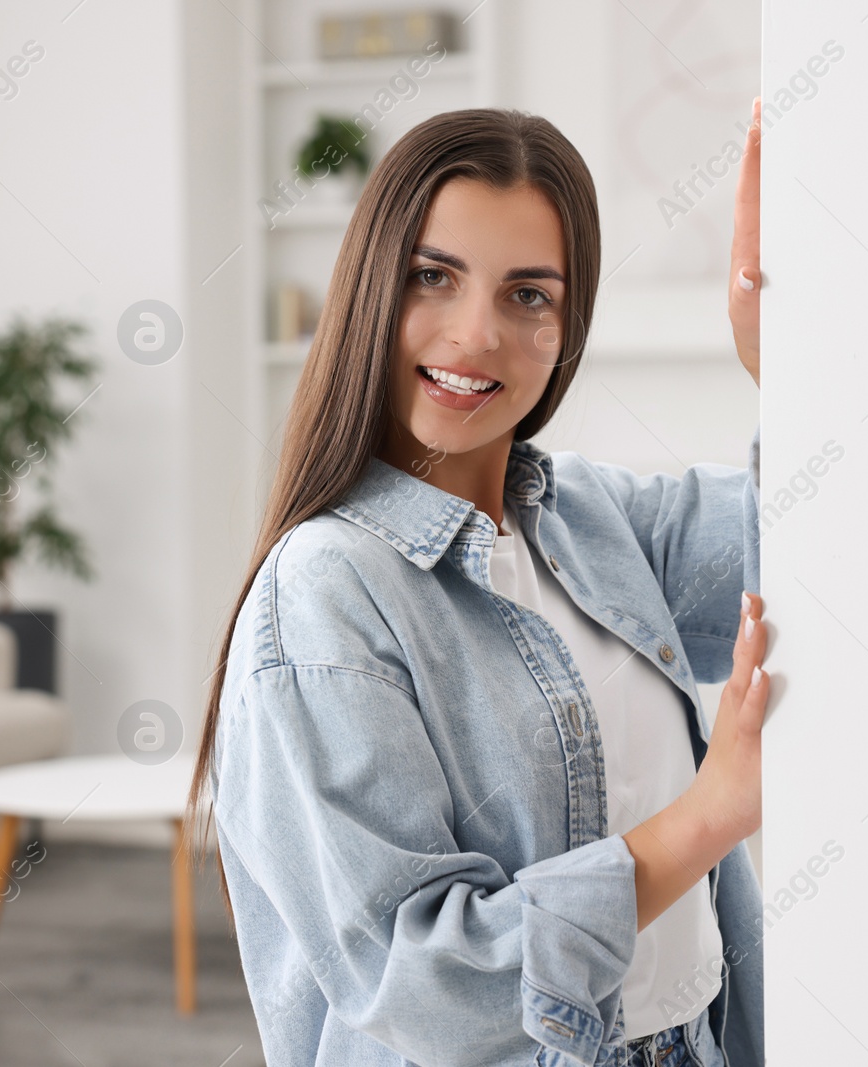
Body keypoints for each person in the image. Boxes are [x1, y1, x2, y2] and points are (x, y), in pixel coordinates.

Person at [188, 101, 769, 1067]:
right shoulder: (325, 593)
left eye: (529, 294)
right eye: (433, 277)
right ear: (372, 287)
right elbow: (424, 982)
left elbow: (813, 558)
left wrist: (781, 359)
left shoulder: (588, 516)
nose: (476, 333)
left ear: (567, 323)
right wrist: (710, 817)